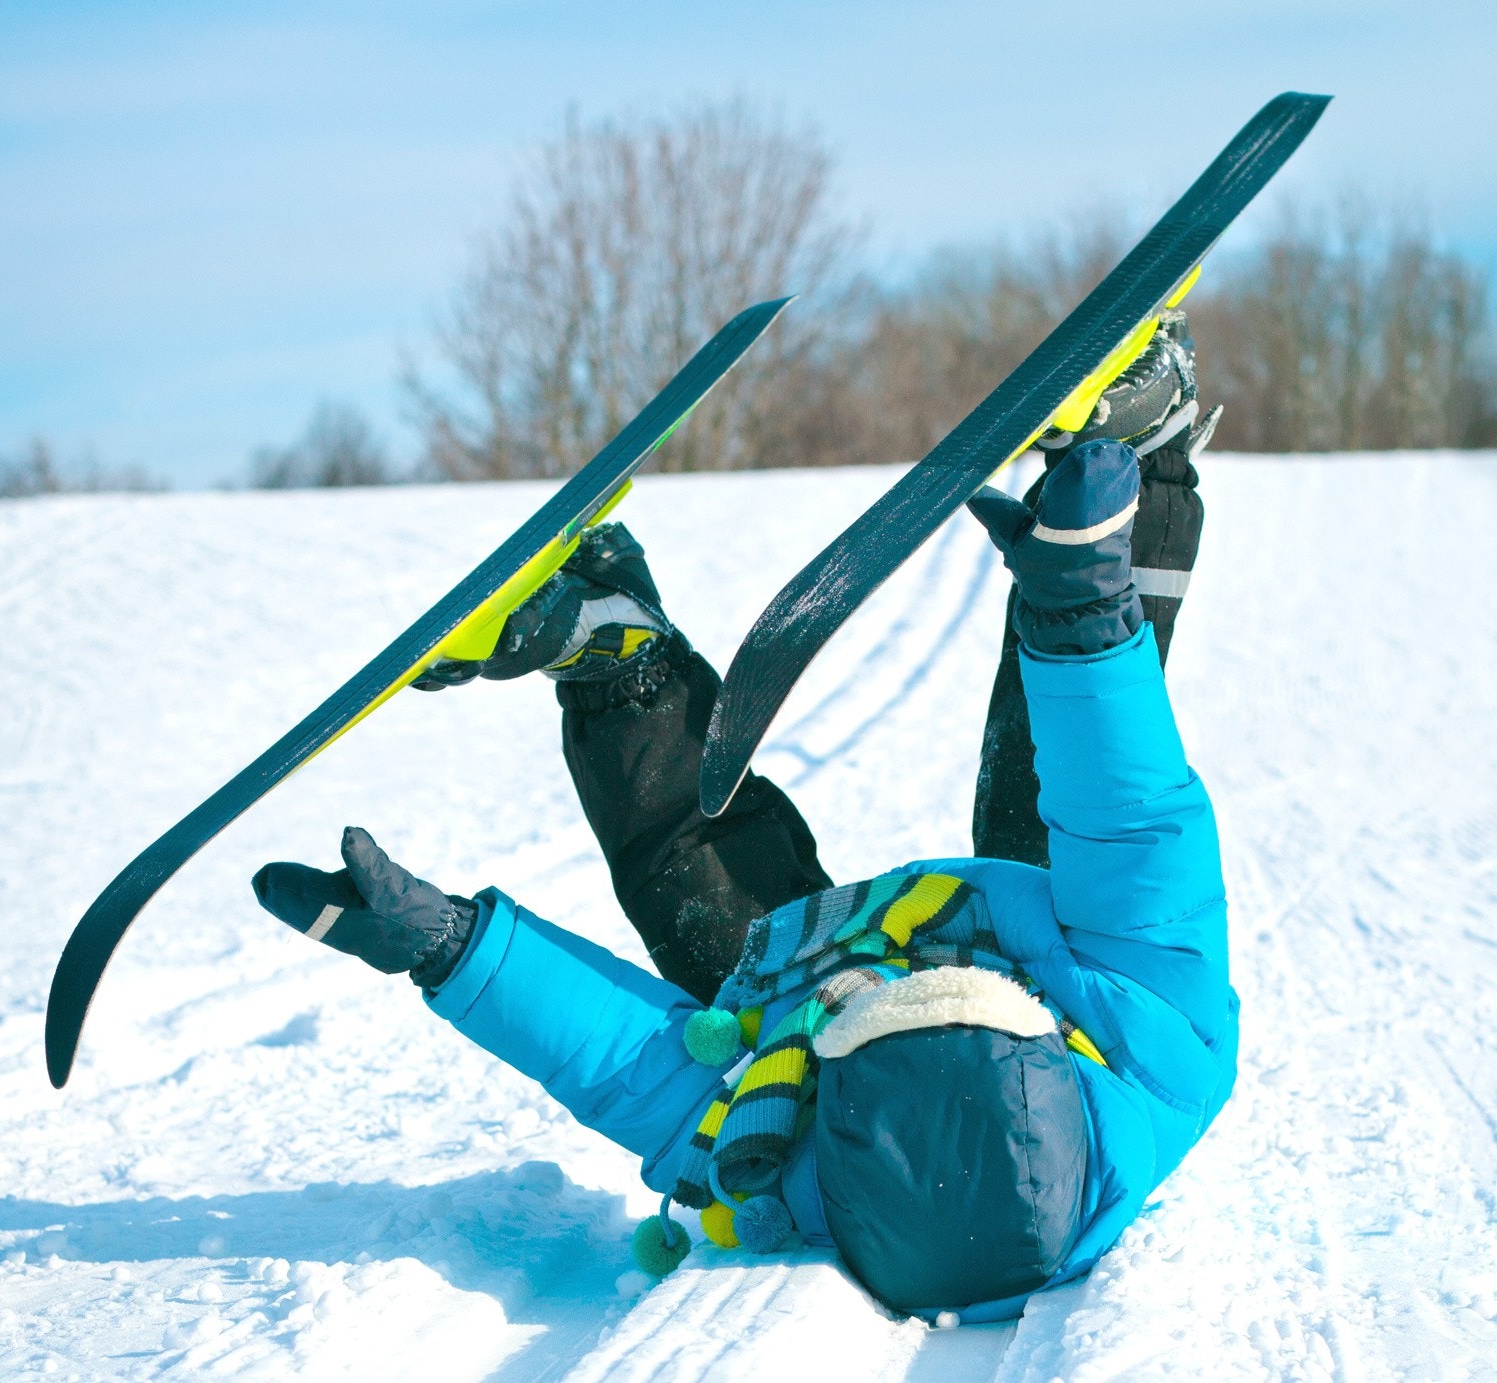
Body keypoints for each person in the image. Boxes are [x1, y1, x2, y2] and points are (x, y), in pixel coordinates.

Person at [251, 313, 1231, 1322]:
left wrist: (450, 952)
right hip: (1044, 938)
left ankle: (612, 653)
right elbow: (1130, 821)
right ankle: (1137, 454)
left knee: (695, 897)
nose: (915, 991)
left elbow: (635, 1069)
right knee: (1054, 789)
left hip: (818, 983)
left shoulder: (790, 1169)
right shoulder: (1157, 1056)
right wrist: (1077, 610)